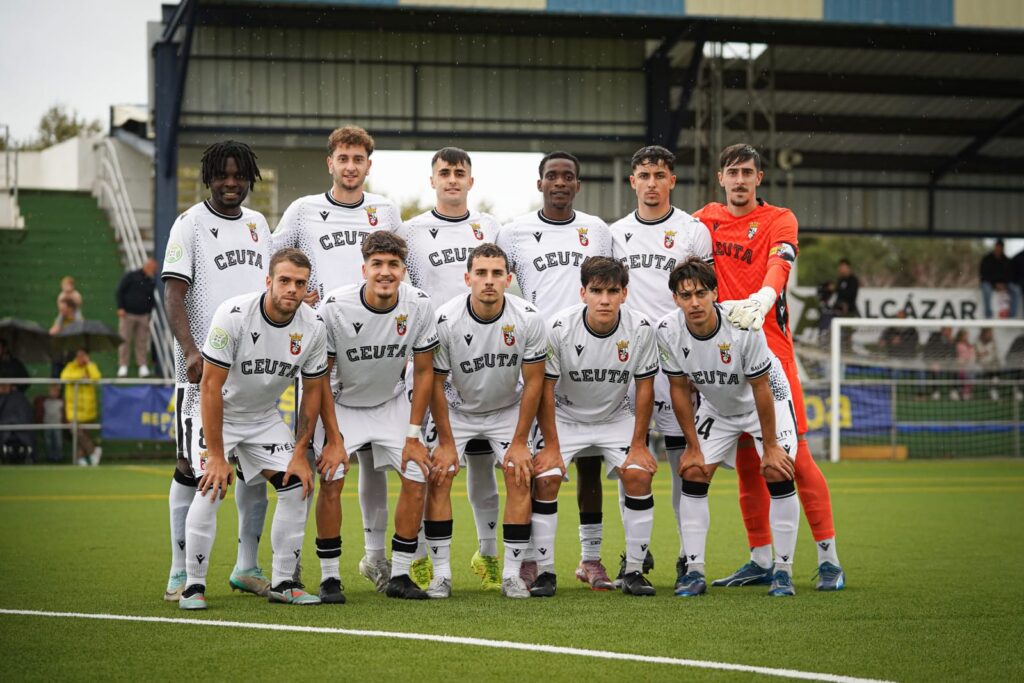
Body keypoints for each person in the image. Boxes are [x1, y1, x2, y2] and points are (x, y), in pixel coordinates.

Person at [694, 144, 844, 591]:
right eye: (732, 172)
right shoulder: (703, 221)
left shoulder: (780, 219)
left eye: (747, 172)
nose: (740, 179)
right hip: (723, 359)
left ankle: (829, 560)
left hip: (773, 355)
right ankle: (760, 558)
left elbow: (781, 263)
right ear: (720, 178)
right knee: (746, 462)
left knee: (795, 457)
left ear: (759, 178)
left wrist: (763, 297)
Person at [272, 125, 413, 591]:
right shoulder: (302, 210)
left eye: (358, 159)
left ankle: (375, 559)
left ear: (368, 165)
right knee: (315, 462)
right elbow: (274, 263)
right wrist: (301, 295)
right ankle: (291, 563)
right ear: (329, 162)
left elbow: (401, 267)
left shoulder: (385, 210)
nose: (351, 166)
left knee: (375, 464)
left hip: (378, 346)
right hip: (321, 348)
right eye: (343, 158)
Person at [178, 248, 334, 610]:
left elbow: (313, 392)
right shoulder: (234, 314)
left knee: (297, 484)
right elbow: (210, 387)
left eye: (300, 283)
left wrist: (300, 453)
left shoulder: (313, 326)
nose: (292, 289)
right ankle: (193, 586)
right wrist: (217, 456)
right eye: (284, 280)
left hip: (262, 417)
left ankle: (283, 582)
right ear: (268, 281)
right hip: (217, 412)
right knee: (211, 485)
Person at [161, 140, 276, 602]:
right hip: (201, 368)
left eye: (239, 176)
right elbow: (173, 294)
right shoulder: (189, 224)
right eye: (222, 175)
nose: (231, 183)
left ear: (249, 179)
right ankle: (179, 572)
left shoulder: (258, 224)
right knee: (193, 466)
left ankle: (247, 567)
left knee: (254, 468)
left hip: (253, 370)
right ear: (208, 178)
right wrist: (190, 350)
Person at [496, 151, 616, 589]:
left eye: (568, 176)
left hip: (588, 357)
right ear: (540, 183)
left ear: (578, 185)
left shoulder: (597, 230)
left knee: (588, 463)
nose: (560, 182)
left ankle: (590, 559)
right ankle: (529, 560)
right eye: (552, 176)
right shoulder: (514, 232)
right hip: (534, 358)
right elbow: (500, 284)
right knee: (532, 464)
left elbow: (610, 284)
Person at [656, 257, 800, 598]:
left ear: (715, 293)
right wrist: (692, 447)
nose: (694, 302)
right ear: (675, 299)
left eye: (701, 293)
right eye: (685, 295)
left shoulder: (742, 324)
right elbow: (679, 389)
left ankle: (783, 571)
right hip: (718, 406)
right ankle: (694, 572)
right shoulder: (667, 331)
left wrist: (771, 446)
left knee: (778, 470)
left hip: (764, 399)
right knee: (693, 471)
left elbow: (761, 387)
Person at [398, 147, 506, 590]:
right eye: (444, 172)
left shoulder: (490, 226)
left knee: (482, 467)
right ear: (432, 180)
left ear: (471, 181)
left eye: (459, 173)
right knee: (430, 467)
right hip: (430, 359)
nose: (452, 179)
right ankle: (421, 555)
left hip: (482, 361)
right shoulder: (411, 230)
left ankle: (488, 553)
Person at [314, 231, 441, 600]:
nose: (385, 272)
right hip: (342, 403)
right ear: (364, 269)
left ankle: (399, 575)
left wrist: (414, 435)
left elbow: (424, 372)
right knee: (332, 478)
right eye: (377, 264)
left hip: (390, 401)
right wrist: (334, 439)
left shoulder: (419, 304)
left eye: (393, 265)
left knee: (417, 474)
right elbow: (319, 377)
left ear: (403, 270)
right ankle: (329, 578)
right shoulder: (334, 306)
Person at [609, 144, 712, 592]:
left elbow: (704, 294)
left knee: (682, 461)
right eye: (644, 175)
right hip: (629, 359)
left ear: (672, 180)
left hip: (677, 361)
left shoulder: (693, 231)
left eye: (659, 175)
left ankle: (690, 557)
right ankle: (636, 551)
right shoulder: (615, 234)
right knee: (628, 460)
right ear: (632, 181)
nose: (652, 183)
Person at [529, 256, 660, 598]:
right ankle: (545, 572)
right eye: (597, 291)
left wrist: (639, 444)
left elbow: (645, 388)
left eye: (612, 292)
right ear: (582, 293)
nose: (605, 300)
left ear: (624, 294)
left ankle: (633, 571)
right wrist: (552, 447)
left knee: (639, 475)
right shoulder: (558, 327)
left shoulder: (641, 328)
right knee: (546, 478)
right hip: (565, 417)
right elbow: (545, 389)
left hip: (614, 417)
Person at [427, 243, 547, 598]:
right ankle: (441, 575)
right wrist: (446, 442)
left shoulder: (529, 317)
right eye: (481, 273)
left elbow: (535, 382)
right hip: (457, 409)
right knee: (439, 475)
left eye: (497, 274)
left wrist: (521, 442)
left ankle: (511, 575)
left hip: (506, 408)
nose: (489, 281)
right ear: (468, 278)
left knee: (520, 475)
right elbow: (435, 383)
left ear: (509, 279)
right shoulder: (445, 319)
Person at [115, 257, 158, 378]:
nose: (154, 270)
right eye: (153, 268)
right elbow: (120, 290)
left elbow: (151, 298)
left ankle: (142, 365)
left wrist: (149, 312)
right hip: (128, 314)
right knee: (124, 340)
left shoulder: (151, 281)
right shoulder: (131, 276)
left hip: (143, 315)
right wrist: (120, 307)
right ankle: (123, 365)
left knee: (142, 341)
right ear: (147, 266)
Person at [59, 349, 102, 467]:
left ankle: (80, 459)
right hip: (73, 409)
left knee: (84, 435)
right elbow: (64, 377)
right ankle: (93, 452)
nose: (81, 358)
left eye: (84, 355)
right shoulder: (70, 367)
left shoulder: (91, 366)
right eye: (79, 355)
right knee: (76, 431)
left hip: (88, 409)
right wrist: (80, 377)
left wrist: (89, 364)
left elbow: (97, 377)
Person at [979, 239, 1017, 319]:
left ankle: (1012, 315)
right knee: (986, 288)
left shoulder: (1006, 260)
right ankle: (988, 315)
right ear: (995, 247)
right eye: (997, 247)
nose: (998, 249)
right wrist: (994, 284)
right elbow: (983, 274)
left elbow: (1010, 275)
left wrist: (1004, 284)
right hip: (989, 283)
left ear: (1003, 248)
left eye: (1000, 247)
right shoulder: (987, 259)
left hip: (1004, 284)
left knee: (1015, 289)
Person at [34, 384, 64, 462]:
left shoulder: (61, 402)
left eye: (56, 391)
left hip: (57, 425)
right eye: (52, 391)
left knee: (58, 441)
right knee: (48, 442)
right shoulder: (45, 401)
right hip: (47, 424)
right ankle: (50, 456)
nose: (54, 393)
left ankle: (59, 456)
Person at [974, 327, 1001, 401]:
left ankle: (993, 389)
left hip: (992, 364)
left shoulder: (993, 342)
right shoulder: (978, 342)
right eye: (989, 333)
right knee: (990, 369)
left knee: (996, 370)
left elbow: (995, 354)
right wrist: (984, 353)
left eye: (991, 333)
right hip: (981, 364)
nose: (990, 334)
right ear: (984, 333)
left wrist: (986, 353)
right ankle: (992, 389)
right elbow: (978, 354)